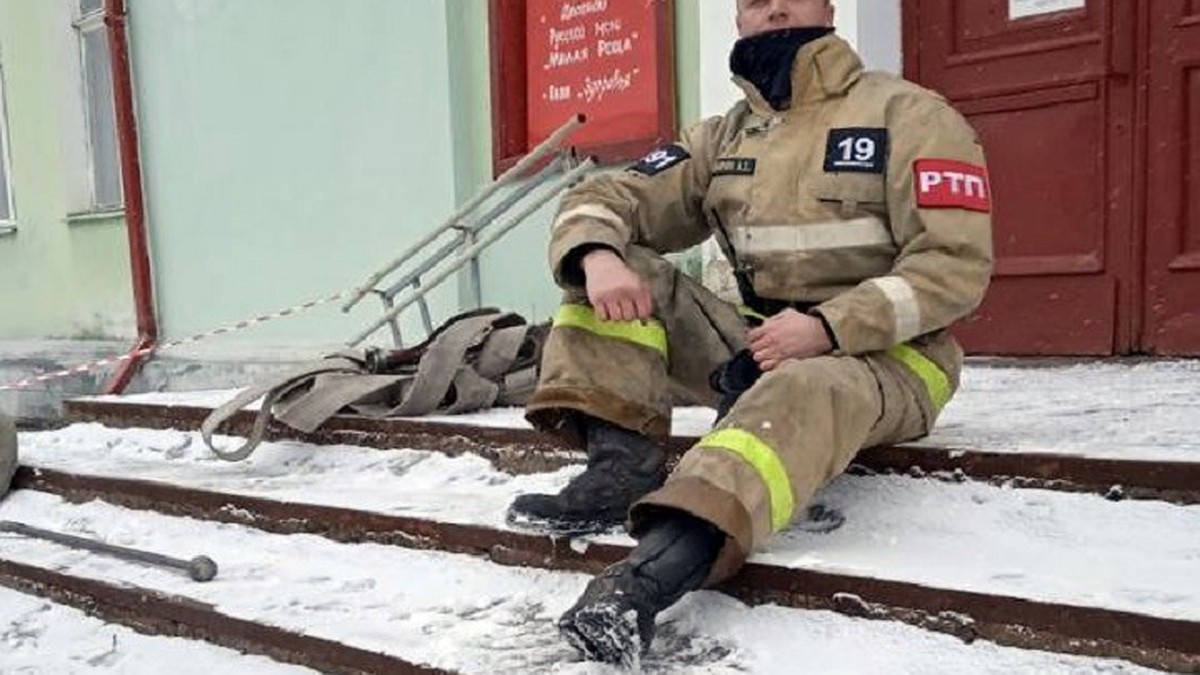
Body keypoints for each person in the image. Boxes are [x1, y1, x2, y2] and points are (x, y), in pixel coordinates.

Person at [507, 0, 994, 665]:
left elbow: (954, 268)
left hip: (892, 359)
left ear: (827, 5)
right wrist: (598, 255)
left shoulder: (912, 116)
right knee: (612, 269)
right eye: (750, 1)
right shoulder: (725, 136)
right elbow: (613, 194)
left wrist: (828, 326)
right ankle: (620, 470)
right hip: (760, 344)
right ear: (738, 20)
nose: (769, 6)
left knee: (799, 389)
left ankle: (641, 584)